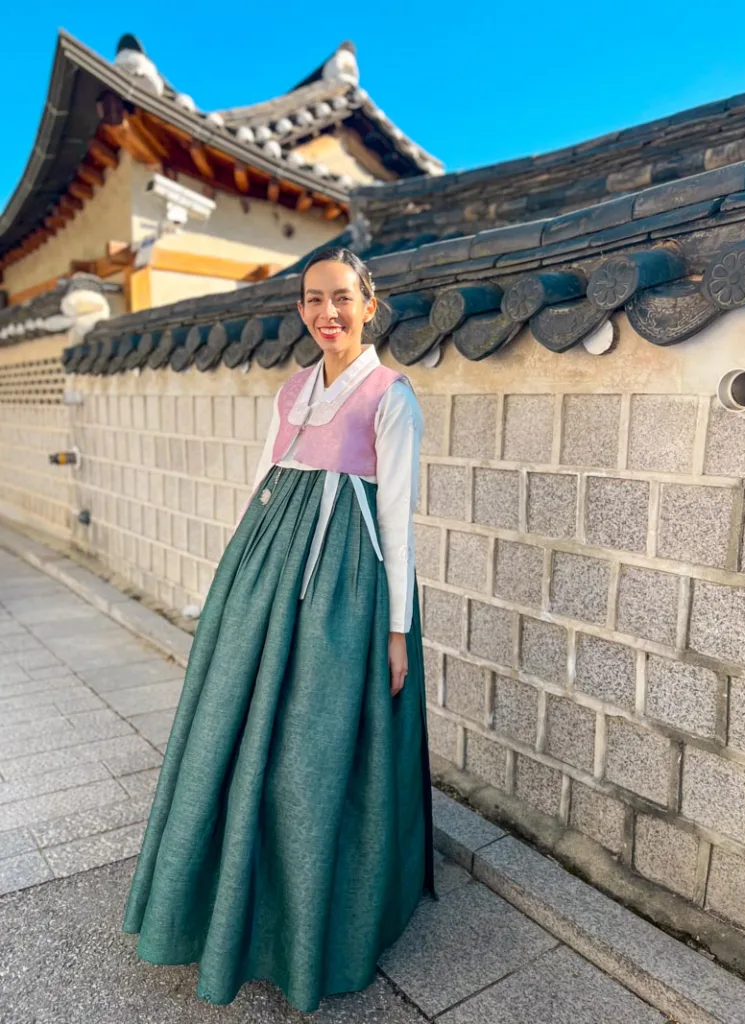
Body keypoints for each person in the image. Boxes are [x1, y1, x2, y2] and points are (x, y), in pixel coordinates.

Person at [122, 247, 434, 1014]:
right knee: (235, 728)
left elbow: (396, 517)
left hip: (343, 586)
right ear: (302, 309)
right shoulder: (292, 388)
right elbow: (261, 483)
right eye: (312, 299)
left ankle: (319, 913)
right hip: (265, 577)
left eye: (342, 299)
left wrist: (395, 631)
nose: (327, 312)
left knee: (314, 748)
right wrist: (230, 581)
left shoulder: (393, 396)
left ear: (370, 303)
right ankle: (229, 889)